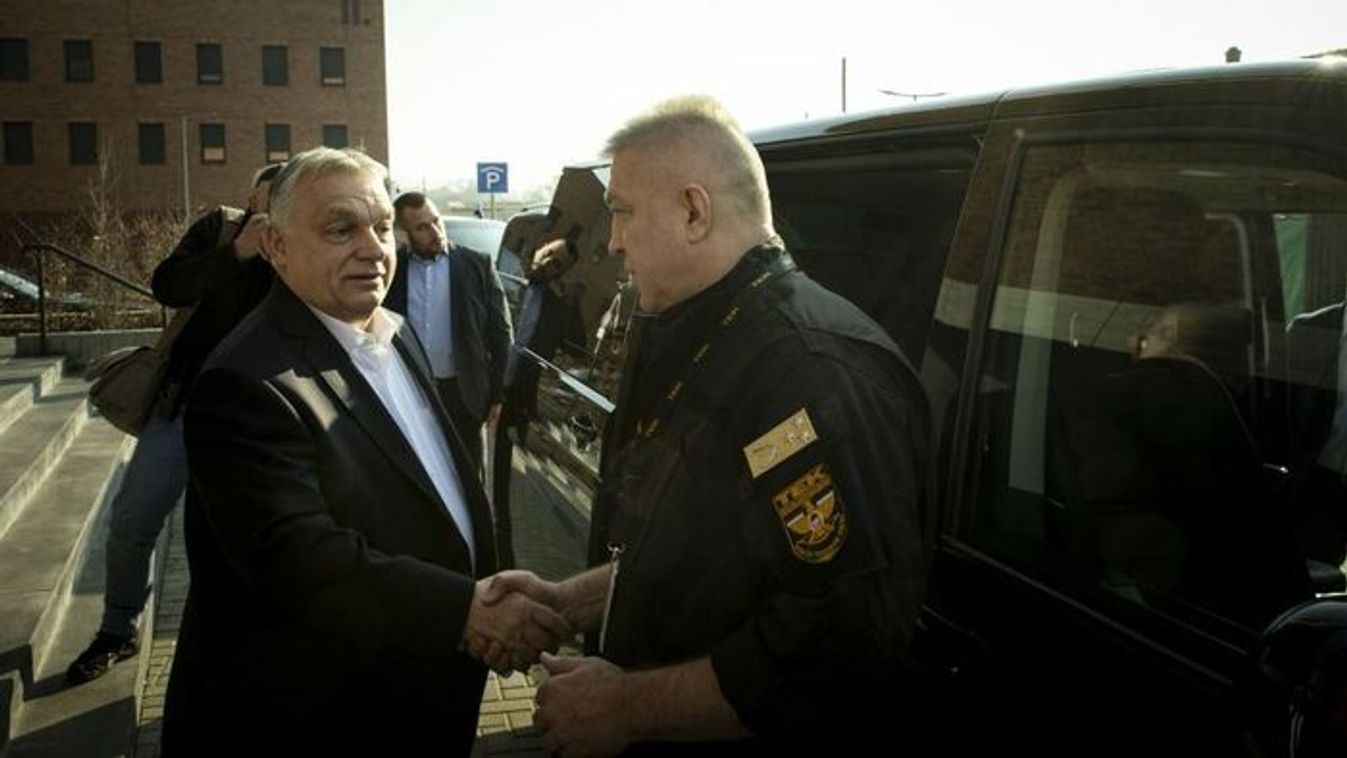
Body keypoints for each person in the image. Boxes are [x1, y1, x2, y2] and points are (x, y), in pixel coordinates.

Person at [479, 95, 934, 755]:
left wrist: (626, 707)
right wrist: (569, 600)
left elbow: (832, 643)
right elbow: (706, 557)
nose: (610, 241)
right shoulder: (712, 334)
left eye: (622, 213)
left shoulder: (807, 369)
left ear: (693, 211)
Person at [160, 148, 569, 756]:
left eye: (382, 227)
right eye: (340, 229)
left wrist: (486, 589)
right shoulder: (244, 382)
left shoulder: (395, 332)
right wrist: (466, 610)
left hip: (419, 690)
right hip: (320, 717)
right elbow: (299, 559)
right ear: (275, 246)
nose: (374, 249)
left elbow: (427, 490)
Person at [65, 162, 282, 685]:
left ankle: (249, 642)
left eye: (288, 201)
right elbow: (168, 285)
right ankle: (119, 628)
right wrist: (237, 252)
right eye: (270, 198)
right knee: (133, 521)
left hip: (252, 422)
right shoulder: (219, 228)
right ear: (252, 197)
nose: (276, 210)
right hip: (181, 408)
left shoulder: (296, 248)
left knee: (249, 537)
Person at [385, 192, 512, 475]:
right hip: (411, 391)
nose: (434, 231)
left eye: (435, 221)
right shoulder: (393, 270)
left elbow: (500, 333)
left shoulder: (477, 264)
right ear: (403, 232)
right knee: (421, 475)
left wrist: (499, 393)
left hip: (464, 393)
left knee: (470, 476)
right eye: (421, 227)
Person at [492, 237, 581, 567]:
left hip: (519, 399)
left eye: (557, 264)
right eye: (548, 254)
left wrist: (573, 303)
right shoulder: (507, 279)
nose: (547, 262)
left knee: (501, 489)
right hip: (487, 391)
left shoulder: (560, 309)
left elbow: (574, 351)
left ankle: (504, 559)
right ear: (539, 247)